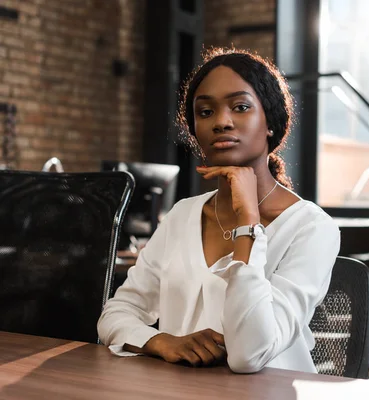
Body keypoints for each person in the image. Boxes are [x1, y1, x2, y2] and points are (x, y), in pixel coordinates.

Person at [97, 48, 341, 374]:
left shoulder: (312, 228)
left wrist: (248, 222)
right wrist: (160, 341)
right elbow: (116, 313)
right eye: (206, 112)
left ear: (270, 121)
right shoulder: (182, 216)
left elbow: (249, 355)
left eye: (240, 107)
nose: (221, 122)